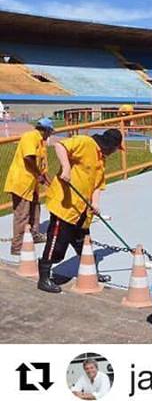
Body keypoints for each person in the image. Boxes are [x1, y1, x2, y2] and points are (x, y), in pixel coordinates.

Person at [39, 128, 123, 293]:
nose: (115, 152)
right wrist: (66, 168)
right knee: (57, 242)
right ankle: (44, 278)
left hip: (82, 210)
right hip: (65, 205)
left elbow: (98, 185)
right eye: (116, 149)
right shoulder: (85, 143)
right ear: (110, 145)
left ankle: (90, 273)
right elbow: (60, 146)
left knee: (84, 244)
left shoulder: (101, 160)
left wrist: (96, 204)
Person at [3, 116, 54, 255]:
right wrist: (39, 175)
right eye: (51, 132)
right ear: (46, 130)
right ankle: (17, 246)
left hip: (32, 185)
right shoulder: (30, 136)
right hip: (22, 183)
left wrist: (50, 184)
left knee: (35, 211)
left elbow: (43, 168)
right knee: (22, 215)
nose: (51, 135)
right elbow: (28, 157)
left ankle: (33, 234)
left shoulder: (41, 142)